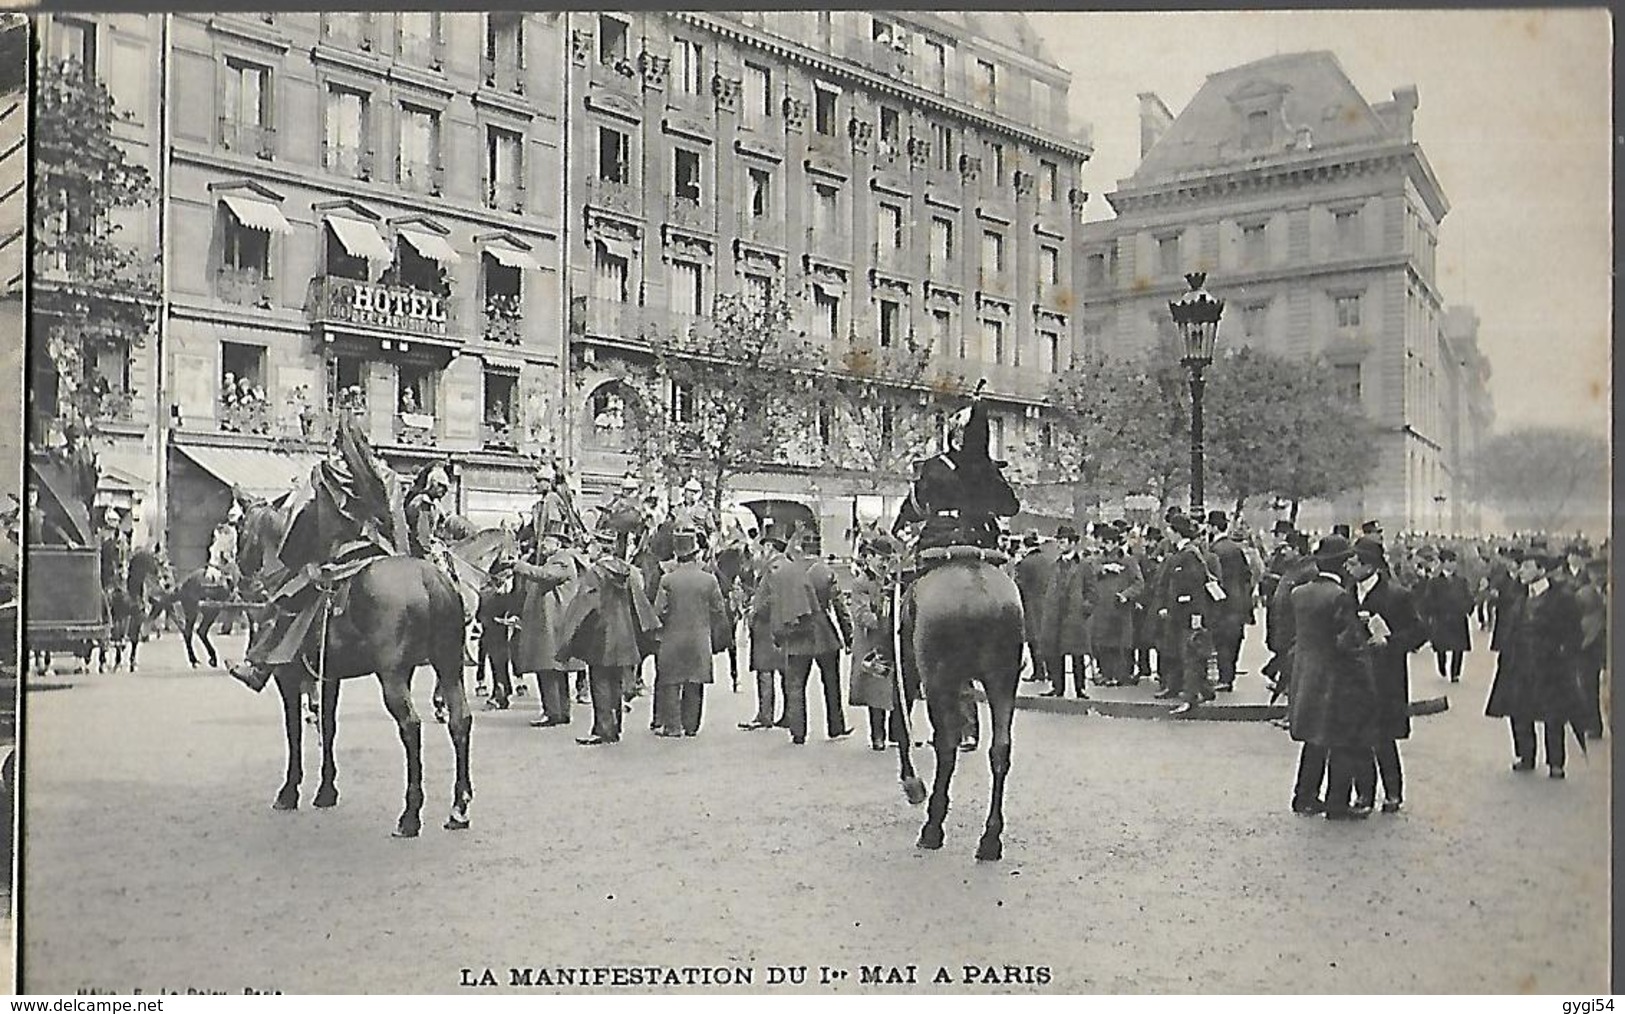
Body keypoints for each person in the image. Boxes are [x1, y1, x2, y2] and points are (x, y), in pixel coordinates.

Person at [1284, 535, 1381, 819]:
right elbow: (1347, 644)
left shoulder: (1299, 593)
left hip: (1306, 676)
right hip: (1335, 679)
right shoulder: (1339, 596)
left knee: (1313, 740)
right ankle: (1337, 803)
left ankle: (1304, 796)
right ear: (1340, 565)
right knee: (1340, 741)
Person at [1345, 536, 1429, 813]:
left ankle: (1393, 792)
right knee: (1357, 736)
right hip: (1354, 673)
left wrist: (1390, 641)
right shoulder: (1346, 592)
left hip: (1385, 676)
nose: (1348, 567)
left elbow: (1419, 633)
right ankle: (1364, 794)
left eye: (1354, 562)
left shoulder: (1397, 595)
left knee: (1383, 737)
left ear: (1369, 566)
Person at [1485, 552, 1586, 778]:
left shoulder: (1561, 598)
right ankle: (1525, 755)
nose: (1521, 571)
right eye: (1521, 567)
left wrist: (1562, 654)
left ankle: (1556, 762)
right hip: (1519, 663)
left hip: (1549, 665)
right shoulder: (1518, 595)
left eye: (1527, 567)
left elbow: (1573, 633)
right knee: (1519, 710)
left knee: (1553, 714)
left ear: (1541, 570)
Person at [556, 527, 659, 746]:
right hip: (624, 635)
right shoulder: (628, 571)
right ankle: (616, 727)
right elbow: (639, 604)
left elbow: (585, 604)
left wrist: (569, 633)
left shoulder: (595, 572)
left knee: (600, 681)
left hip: (601, 635)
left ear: (598, 547)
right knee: (615, 682)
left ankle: (602, 729)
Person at [891, 382, 1019, 551]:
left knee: (910, 575)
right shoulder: (989, 470)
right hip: (982, 540)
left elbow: (916, 507)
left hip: (941, 538)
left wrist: (900, 526)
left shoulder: (934, 466)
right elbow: (1010, 507)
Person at [650, 529, 730, 737]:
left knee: (671, 682)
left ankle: (673, 726)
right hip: (699, 638)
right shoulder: (709, 580)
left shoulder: (667, 580)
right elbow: (719, 610)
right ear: (695, 554)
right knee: (695, 682)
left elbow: (659, 611)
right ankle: (691, 725)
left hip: (672, 638)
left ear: (677, 555)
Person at [510, 520, 588, 728]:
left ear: (558, 544)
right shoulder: (558, 559)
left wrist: (520, 566)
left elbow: (545, 576)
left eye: (547, 541)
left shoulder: (561, 560)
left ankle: (552, 713)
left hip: (551, 624)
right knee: (556, 671)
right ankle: (561, 712)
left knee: (547, 670)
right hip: (552, 623)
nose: (543, 544)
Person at [1036, 525, 1095, 700]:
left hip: (1075, 616)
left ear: (1072, 543)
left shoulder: (1083, 566)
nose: (1059, 545)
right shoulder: (1054, 565)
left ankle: (1080, 688)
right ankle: (1057, 687)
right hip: (1055, 616)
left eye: (1062, 542)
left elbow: (1092, 592)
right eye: (1058, 542)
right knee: (1055, 653)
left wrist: (1085, 608)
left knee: (1077, 654)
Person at [1206, 510, 1255, 692]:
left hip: (1223, 602)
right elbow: (1247, 575)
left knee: (1222, 641)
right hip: (1238, 600)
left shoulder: (1215, 550)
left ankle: (1224, 677)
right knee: (1234, 639)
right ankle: (1229, 676)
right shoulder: (1236, 548)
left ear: (1212, 527)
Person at [1417, 548, 1474, 682]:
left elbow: (1469, 598)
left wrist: (1466, 609)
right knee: (1441, 646)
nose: (1454, 564)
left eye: (1454, 561)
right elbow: (1428, 601)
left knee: (1458, 648)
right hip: (1442, 619)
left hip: (1458, 618)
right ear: (1444, 563)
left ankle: (1455, 673)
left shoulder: (1461, 581)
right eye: (1451, 561)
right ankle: (1441, 664)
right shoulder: (1435, 582)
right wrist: (1434, 613)